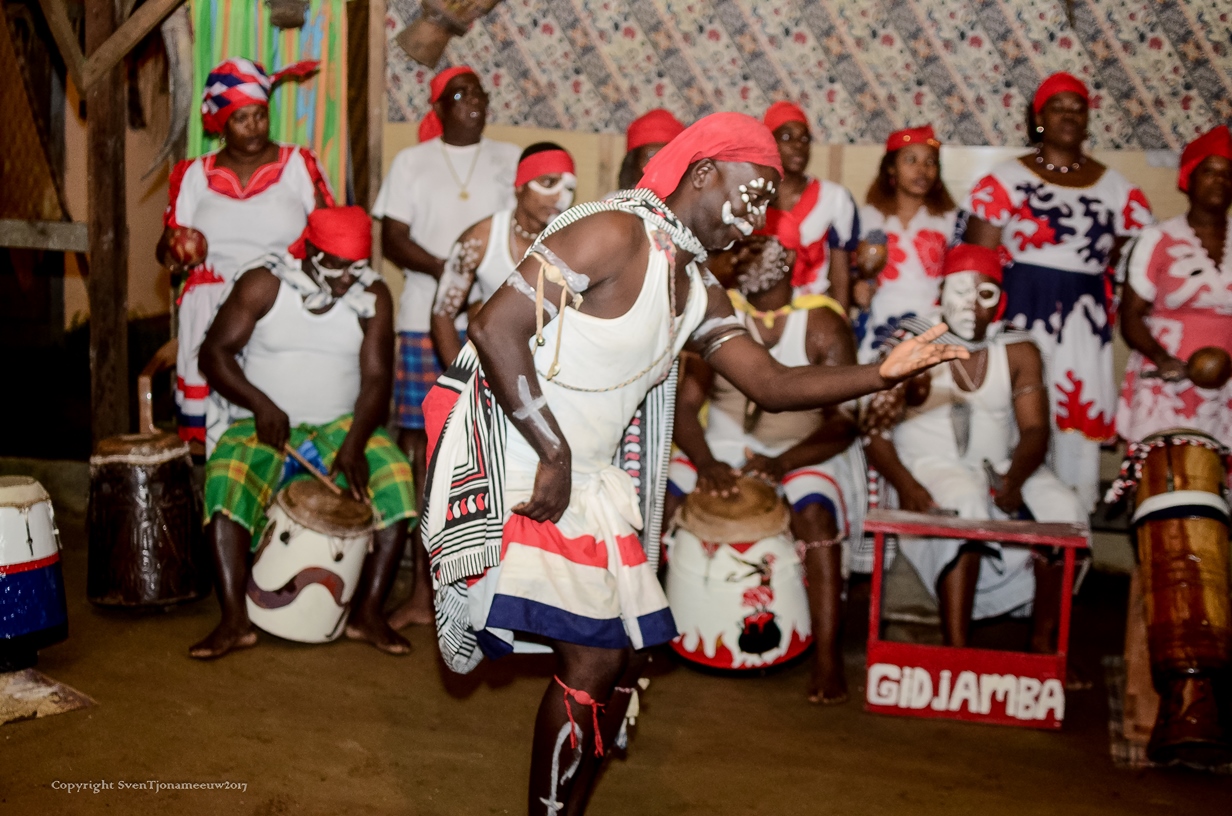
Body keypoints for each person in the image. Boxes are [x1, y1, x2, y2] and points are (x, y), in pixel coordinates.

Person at [420, 112, 967, 815]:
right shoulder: (613, 234)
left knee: (621, 661)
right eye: (758, 191)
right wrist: (552, 451)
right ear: (705, 172)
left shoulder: (695, 286)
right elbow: (496, 326)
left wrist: (881, 372)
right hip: (524, 452)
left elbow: (769, 383)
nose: (762, 216)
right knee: (592, 658)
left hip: (582, 470)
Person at [189, 207, 416, 659]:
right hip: (266, 420)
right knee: (226, 475)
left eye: (355, 266)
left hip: (341, 426)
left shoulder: (372, 294)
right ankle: (234, 620)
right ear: (309, 250)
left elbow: (376, 381)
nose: (345, 279)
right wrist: (260, 404)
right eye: (334, 265)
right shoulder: (264, 283)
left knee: (396, 478)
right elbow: (214, 354)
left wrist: (354, 442)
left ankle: (367, 614)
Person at [667, 232, 865, 705]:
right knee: (659, 500)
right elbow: (683, 406)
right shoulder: (715, 312)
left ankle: (827, 656)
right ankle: (639, 633)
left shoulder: (822, 323)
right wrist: (708, 461)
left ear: (791, 258)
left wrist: (784, 462)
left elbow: (844, 422)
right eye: (741, 247)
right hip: (721, 445)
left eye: (762, 247)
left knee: (814, 513)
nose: (746, 256)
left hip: (800, 449)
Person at [863, 245, 1085, 650]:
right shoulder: (914, 341)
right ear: (941, 291)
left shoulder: (1018, 347)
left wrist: (1015, 478)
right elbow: (874, 432)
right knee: (966, 504)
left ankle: (1045, 646)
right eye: (960, 292)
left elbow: (1035, 430)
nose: (971, 306)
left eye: (985, 295)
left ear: (1000, 301)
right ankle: (957, 647)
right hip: (928, 464)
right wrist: (907, 486)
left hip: (1000, 463)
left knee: (1065, 512)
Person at [960, 72, 1153, 510]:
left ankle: (1064, 544)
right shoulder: (1005, 180)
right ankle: (1001, 526)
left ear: (1088, 119)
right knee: (1010, 420)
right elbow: (976, 267)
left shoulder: (1118, 190)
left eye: (1077, 106)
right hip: (1016, 319)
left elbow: (1131, 262)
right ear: (1039, 118)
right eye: (1057, 106)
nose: (1069, 114)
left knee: (1072, 430)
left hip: (1083, 329)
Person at [373, 65, 519, 627]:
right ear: (439, 108)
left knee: (486, 453)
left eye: (481, 92)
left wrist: (478, 276)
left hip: (497, 322)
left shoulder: (509, 158)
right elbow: (394, 240)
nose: (474, 102)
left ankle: (484, 588)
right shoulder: (412, 162)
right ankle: (419, 591)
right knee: (423, 452)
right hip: (421, 319)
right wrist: (454, 269)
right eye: (460, 95)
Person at [158, 57, 333, 450]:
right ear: (221, 123)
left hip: (277, 308)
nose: (254, 126)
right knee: (213, 441)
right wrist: (174, 250)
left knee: (273, 423)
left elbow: (328, 234)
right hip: (208, 308)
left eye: (260, 115)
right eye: (241, 118)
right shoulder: (193, 175)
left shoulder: (296, 165)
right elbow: (168, 246)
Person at [1116, 125, 1232, 447]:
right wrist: (1162, 358)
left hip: (1228, 379)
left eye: (1228, 173)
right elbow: (1132, 316)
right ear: (1189, 178)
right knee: (1168, 476)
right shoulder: (1157, 239)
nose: (1220, 181)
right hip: (1168, 376)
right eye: (1209, 172)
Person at [430, 143, 577, 367]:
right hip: (495, 365)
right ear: (520, 185)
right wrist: (459, 381)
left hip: (558, 366)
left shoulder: (576, 240)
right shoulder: (481, 238)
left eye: (569, 188)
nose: (560, 197)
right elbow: (442, 315)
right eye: (549, 183)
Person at [857, 125, 958, 363]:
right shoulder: (869, 216)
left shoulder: (950, 219)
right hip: (881, 317)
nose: (922, 170)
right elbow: (856, 270)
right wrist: (859, 288)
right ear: (891, 167)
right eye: (911, 160)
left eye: (930, 162)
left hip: (933, 321)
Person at [760, 101, 860, 308]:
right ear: (768, 142)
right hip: (755, 315)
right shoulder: (753, 194)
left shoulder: (834, 198)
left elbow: (840, 274)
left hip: (811, 315)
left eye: (804, 139)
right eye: (787, 137)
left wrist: (840, 323)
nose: (798, 145)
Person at [618, 109, 685, 190]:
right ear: (634, 162)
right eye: (650, 156)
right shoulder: (614, 201)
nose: (658, 164)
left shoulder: (688, 201)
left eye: (666, 156)